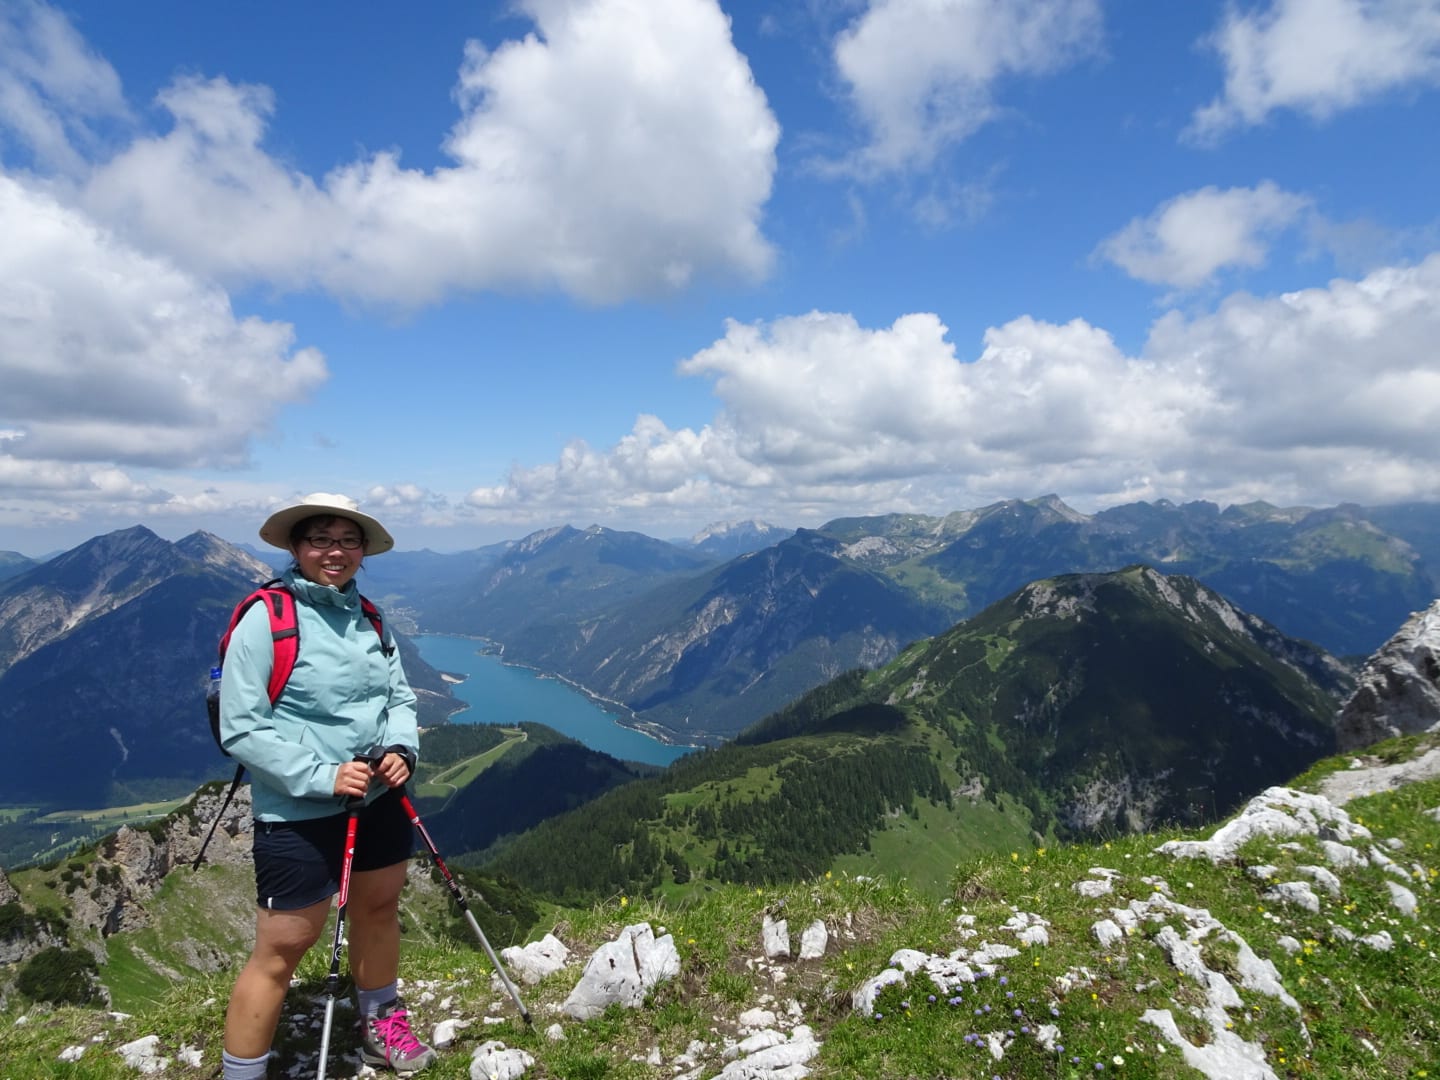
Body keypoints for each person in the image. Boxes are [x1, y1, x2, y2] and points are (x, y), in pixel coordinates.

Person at [219, 493, 436, 1078]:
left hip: (377, 798)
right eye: (320, 538)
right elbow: (241, 728)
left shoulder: (369, 615)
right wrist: (322, 776)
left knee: (379, 908)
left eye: (348, 539)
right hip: (296, 809)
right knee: (283, 947)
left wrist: (400, 750)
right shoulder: (266, 619)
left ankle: (381, 1033)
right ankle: (243, 1072)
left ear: (363, 551)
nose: (334, 551)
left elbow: (398, 698)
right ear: (296, 547)